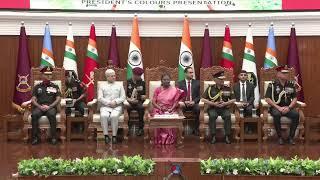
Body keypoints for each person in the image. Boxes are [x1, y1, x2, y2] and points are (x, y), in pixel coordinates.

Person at [265, 66, 299, 145]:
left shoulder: (291, 84)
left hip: (288, 107)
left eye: (287, 73)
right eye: (283, 73)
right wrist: (278, 108)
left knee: (296, 115)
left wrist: (289, 107)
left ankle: (291, 138)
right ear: (278, 74)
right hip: (276, 107)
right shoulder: (272, 85)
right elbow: (267, 99)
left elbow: (294, 98)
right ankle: (280, 137)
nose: (286, 75)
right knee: (276, 114)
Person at [201, 71, 236, 144]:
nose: (222, 81)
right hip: (213, 108)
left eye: (223, 79)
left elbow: (234, 99)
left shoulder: (227, 88)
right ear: (215, 80)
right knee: (212, 116)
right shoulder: (210, 88)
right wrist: (213, 103)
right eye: (220, 79)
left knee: (227, 115)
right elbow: (203, 99)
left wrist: (225, 103)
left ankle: (227, 136)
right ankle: (213, 136)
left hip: (224, 108)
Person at [31, 66, 61, 145]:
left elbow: (58, 99)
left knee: (51, 114)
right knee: (34, 115)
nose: (49, 76)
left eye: (50, 74)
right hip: (40, 106)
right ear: (42, 75)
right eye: (46, 74)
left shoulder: (55, 86)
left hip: (50, 107)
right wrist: (39, 106)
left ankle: (53, 137)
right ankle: (35, 138)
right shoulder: (37, 86)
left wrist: (50, 106)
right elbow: (33, 99)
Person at [151, 73, 184, 145]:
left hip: (171, 109)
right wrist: (160, 108)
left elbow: (176, 102)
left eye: (168, 79)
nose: (166, 81)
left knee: (174, 117)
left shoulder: (175, 90)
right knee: (156, 116)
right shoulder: (158, 89)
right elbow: (153, 102)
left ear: (170, 80)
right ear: (161, 81)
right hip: (159, 109)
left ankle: (171, 138)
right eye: (164, 79)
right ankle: (158, 139)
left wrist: (171, 109)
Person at [98, 69, 126, 144]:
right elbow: (100, 98)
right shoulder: (102, 85)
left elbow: (123, 97)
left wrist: (116, 102)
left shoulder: (119, 85)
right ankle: (106, 136)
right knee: (103, 116)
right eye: (112, 76)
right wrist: (109, 103)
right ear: (107, 77)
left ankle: (114, 136)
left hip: (117, 106)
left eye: (114, 75)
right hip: (105, 106)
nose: (114, 77)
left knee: (114, 116)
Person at [177, 66, 200, 135]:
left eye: (192, 72)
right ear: (185, 74)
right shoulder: (180, 84)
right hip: (184, 104)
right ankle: (181, 129)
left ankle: (196, 129)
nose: (192, 74)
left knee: (198, 109)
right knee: (179, 109)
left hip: (194, 104)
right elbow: (178, 96)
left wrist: (194, 102)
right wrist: (184, 102)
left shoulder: (197, 83)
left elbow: (199, 96)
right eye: (190, 73)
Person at [126, 67, 146, 136]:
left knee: (141, 109)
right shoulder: (127, 82)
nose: (139, 77)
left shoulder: (143, 83)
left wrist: (144, 96)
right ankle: (127, 128)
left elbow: (146, 94)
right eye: (138, 76)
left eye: (140, 76)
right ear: (133, 74)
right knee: (126, 109)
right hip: (129, 102)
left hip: (138, 102)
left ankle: (141, 128)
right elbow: (123, 95)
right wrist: (128, 100)